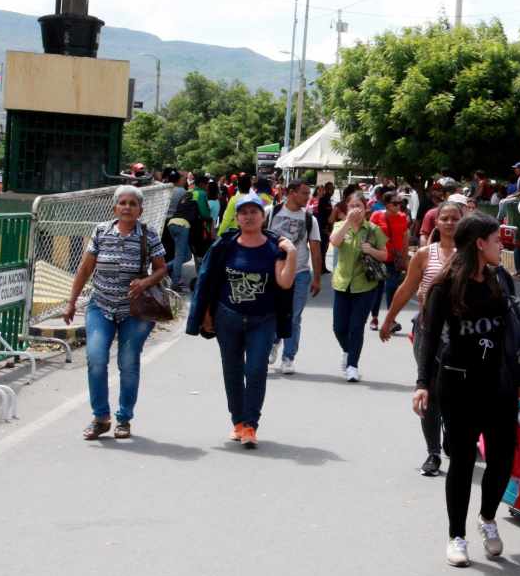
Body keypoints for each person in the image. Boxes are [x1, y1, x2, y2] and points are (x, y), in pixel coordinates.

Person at [414, 212, 520, 566]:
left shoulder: (501, 279)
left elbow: (513, 332)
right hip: (458, 383)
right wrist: (422, 384)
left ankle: (487, 518)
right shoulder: (445, 286)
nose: (500, 246)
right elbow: (429, 337)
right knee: (462, 461)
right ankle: (456, 536)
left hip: (499, 383)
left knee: (502, 457)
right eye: (496, 240)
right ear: (480, 243)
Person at [187, 192, 297, 448]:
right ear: (236, 217)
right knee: (233, 371)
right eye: (243, 212)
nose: (248, 217)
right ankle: (238, 423)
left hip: (263, 319)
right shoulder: (225, 246)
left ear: (262, 217)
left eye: (253, 212)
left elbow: (284, 282)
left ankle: (251, 425)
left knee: (256, 370)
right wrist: (205, 315)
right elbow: (208, 283)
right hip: (228, 318)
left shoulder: (275, 247)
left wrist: (291, 253)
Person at [62, 185, 169, 441]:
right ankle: (101, 417)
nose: (127, 207)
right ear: (114, 208)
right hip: (101, 305)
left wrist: (145, 282)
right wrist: (71, 302)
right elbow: (85, 268)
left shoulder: (148, 234)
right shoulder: (101, 231)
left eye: (133, 204)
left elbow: (162, 269)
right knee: (96, 359)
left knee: (128, 363)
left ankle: (124, 418)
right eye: (123, 203)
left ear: (140, 210)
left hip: (135, 310)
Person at [382, 198, 464, 476]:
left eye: (456, 218)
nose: (450, 223)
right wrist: (390, 318)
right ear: (436, 222)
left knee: (456, 394)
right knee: (428, 388)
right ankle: (433, 452)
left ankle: (454, 437)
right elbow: (406, 289)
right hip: (428, 331)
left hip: (462, 336)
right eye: (446, 218)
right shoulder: (425, 255)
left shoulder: (471, 253)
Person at [330, 193, 389, 382]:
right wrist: (347, 222)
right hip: (342, 283)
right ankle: (348, 351)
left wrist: (371, 250)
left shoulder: (374, 230)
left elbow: (384, 255)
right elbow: (334, 242)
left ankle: (353, 365)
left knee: (356, 327)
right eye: (351, 206)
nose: (355, 209)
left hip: (365, 285)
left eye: (359, 206)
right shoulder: (340, 226)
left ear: (366, 209)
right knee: (339, 327)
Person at [267, 179, 324, 374]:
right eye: (304, 193)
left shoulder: (310, 219)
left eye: (309, 194)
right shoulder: (271, 212)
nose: (308, 197)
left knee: (294, 316)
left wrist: (317, 277)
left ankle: (288, 357)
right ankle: (274, 342)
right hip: (273, 272)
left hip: (299, 273)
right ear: (291, 192)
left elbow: (316, 250)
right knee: (273, 313)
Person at [369, 192, 410, 333]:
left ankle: (391, 320)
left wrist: (405, 258)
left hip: (395, 259)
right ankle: (374, 317)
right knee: (377, 290)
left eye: (401, 203)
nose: (399, 206)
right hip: (379, 258)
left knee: (392, 287)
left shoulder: (403, 217)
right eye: (396, 203)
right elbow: (370, 236)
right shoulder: (376, 216)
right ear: (387, 205)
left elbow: (405, 238)